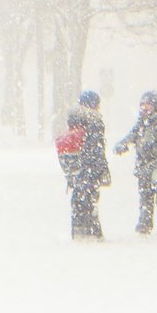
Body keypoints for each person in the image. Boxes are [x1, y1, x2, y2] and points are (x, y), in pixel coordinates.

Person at [114, 90, 157, 236]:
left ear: (155, 106)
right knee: (145, 197)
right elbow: (131, 135)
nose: (145, 107)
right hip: (143, 167)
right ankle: (144, 226)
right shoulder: (141, 123)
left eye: (148, 104)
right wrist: (122, 144)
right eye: (142, 104)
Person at [64, 90, 111, 240]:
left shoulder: (74, 120)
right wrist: (102, 169)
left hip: (76, 167)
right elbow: (97, 149)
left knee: (78, 199)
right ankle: (93, 233)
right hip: (90, 167)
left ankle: (78, 231)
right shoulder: (94, 121)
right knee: (90, 201)